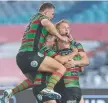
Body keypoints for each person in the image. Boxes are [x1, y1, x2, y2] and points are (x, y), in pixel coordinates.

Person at [16, 2, 75, 100]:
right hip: (31, 54)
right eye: (52, 14)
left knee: (34, 81)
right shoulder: (41, 18)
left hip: (21, 58)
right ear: (46, 12)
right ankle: (49, 89)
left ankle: (11, 91)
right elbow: (46, 23)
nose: (52, 17)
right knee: (60, 68)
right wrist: (60, 37)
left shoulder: (33, 20)